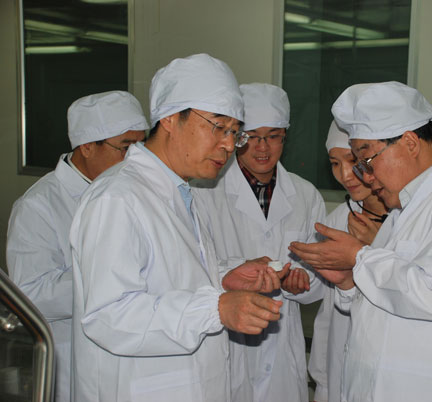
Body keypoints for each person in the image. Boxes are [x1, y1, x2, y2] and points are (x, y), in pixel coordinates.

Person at [70, 54, 286, 402]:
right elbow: (108, 315)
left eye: (234, 132)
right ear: (170, 118)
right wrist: (215, 309)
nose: (228, 145)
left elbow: (167, 277)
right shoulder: (117, 198)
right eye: (218, 127)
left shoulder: (180, 190)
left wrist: (225, 276)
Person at [289, 81, 432, 402]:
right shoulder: (405, 205)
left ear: (409, 142)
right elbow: (390, 297)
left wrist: (359, 258)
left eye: (367, 160)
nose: (365, 176)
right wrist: (349, 281)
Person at [6, 90, 148, 402]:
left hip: (130, 359)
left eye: (142, 145)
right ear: (87, 146)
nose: (136, 158)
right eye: (126, 147)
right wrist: (107, 275)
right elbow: (31, 295)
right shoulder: (38, 206)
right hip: (71, 362)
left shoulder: (137, 192)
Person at [193, 82, 326, 402]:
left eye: (273, 136)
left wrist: (301, 283)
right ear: (236, 137)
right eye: (252, 136)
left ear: (285, 138)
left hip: (283, 351)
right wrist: (239, 273)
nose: (262, 147)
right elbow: (194, 268)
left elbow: (322, 275)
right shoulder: (204, 192)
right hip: (226, 341)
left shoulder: (306, 195)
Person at [308, 121, 386, 402]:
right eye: (334, 163)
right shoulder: (338, 220)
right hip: (335, 369)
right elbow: (322, 301)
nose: (344, 175)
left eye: (353, 161)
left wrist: (373, 249)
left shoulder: (406, 219)